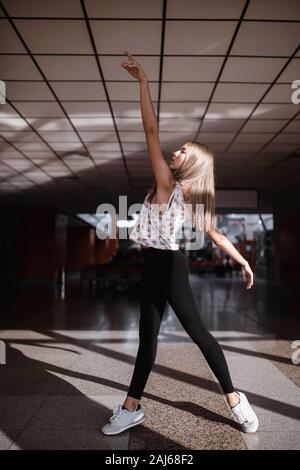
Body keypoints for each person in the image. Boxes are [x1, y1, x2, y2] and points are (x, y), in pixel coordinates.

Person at [101, 51, 258, 436]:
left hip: (170, 265)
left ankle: (236, 400)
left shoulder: (174, 187)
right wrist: (241, 260)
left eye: (184, 150)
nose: (176, 150)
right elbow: (214, 233)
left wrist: (143, 83)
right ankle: (131, 407)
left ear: (192, 163)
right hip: (153, 264)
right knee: (146, 339)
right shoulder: (173, 189)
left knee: (199, 333)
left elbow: (150, 132)